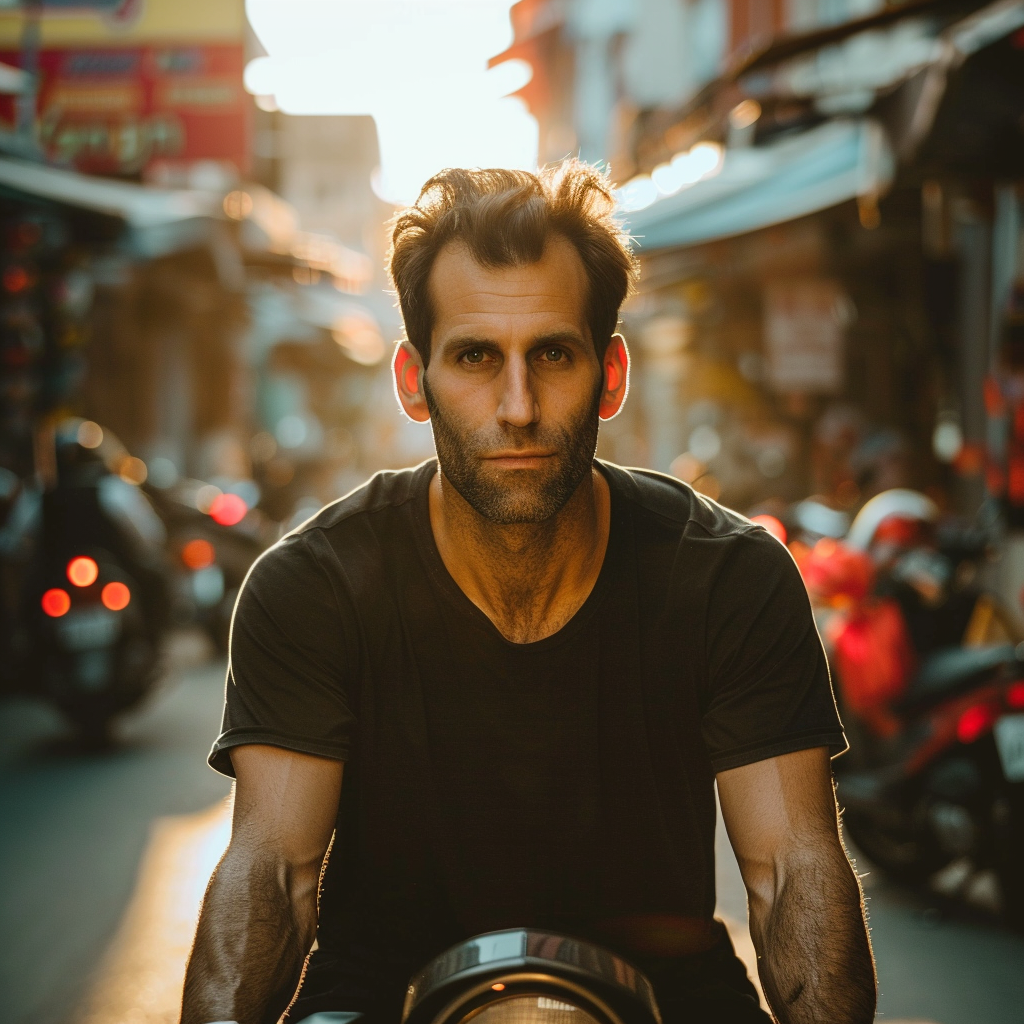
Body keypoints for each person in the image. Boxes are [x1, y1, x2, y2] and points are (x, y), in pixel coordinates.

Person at [180, 162, 875, 1024]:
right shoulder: (312, 586)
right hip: (381, 998)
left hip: (665, 994)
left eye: (552, 354)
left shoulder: (730, 576)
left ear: (610, 374)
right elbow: (273, 873)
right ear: (412, 380)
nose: (517, 407)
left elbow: (789, 869)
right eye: (476, 356)